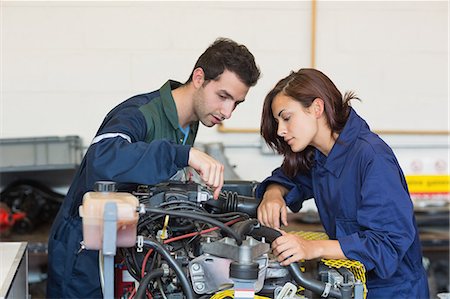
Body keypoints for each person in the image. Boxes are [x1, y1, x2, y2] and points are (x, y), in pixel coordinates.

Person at [47, 37, 260, 298]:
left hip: (127, 246)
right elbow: (102, 158)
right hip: (84, 252)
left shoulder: (188, 124)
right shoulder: (140, 113)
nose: (228, 112)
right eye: (223, 96)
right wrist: (182, 154)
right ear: (198, 78)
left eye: (236, 103)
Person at [256, 68, 429, 298]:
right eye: (278, 121)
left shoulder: (372, 157)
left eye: (286, 117)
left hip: (393, 291)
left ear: (317, 108)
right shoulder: (320, 156)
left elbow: (386, 244)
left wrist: (311, 248)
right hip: (349, 284)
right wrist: (273, 194)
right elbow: (290, 177)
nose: (280, 130)